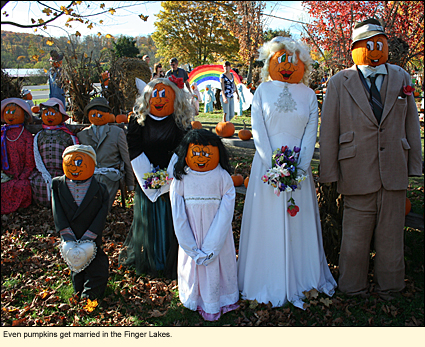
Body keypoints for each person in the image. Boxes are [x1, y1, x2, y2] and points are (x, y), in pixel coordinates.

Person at [319, 19, 422, 300]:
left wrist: (414, 164)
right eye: (368, 46)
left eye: (380, 44)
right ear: (355, 48)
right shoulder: (340, 81)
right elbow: (329, 127)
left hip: (394, 168)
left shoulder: (401, 77)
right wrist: (328, 172)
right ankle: (352, 286)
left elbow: (411, 121)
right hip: (356, 169)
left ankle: (391, 286)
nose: (374, 51)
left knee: (391, 235)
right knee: (354, 236)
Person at [237, 37, 337, 309]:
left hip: (299, 172)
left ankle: (301, 278)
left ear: (303, 63)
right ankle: (265, 278)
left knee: (297, 222)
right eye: (281, 59)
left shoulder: (309, 95)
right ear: (269, 61)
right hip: (266, 168)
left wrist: (298, 168)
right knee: (267, 221)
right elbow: (258, 131)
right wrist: (274, 166)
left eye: (293, 61)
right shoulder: (261, 91)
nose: (287, 66)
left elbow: (310, 133)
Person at [118, 77, 194, 279]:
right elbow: (133, 148)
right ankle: (154, 259)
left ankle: (171, 260)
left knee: (171, 219)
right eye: (155, 95)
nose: (159, 99)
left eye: (165, 95)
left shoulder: (179, 121)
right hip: (145, 177)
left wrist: (166, 177)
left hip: (173, 177)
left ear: (175, 99)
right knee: (151, 220)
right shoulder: (137, 121)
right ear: (147, 98)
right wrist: (149, 178)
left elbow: (182, 148)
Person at [170, 129, 239, 321]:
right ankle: (195, 298)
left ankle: (220, 299)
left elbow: (226, 211)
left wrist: (212, 246)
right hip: (192, 234)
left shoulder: (222, 177)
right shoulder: (182, 178)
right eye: (196, 153)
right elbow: (178, 214)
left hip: (217, 234)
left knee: (218, 265)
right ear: (186, 153)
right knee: (195, 268)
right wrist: (190, 247)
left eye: (207, 153)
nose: (202, 157)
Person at [52, 144, 109, 300]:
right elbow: (57, 209)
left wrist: (92, 234)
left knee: (97, 264)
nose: (73, 167)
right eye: (69, 163)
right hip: (71, 233)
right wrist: (65, 232)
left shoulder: (100, 189)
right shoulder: (57, 185)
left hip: (91, 234)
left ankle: (91, 294)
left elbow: (102, 213)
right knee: (76, 262)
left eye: (78, 162)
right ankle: (79, 290)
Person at [77, 97, 134, 211]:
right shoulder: (82, 135)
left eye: (100, 114)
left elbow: (126, 157)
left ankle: (101, 213)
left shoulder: (117, 132)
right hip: (89, 175)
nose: (97, 117)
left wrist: (130, 183)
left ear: (108, 114)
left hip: (109, 175)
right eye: (93, 114)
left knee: (103, 204)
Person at [30, 98, 79, 207]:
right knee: (38, 182)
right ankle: (44, 205)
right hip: (43, 170)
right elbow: (35, 154)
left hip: (62, 170)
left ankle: (60, 206)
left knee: (65, 183)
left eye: (53, 113)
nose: (49, 116)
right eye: (46, 113)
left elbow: (73, 153)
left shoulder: (66, 135)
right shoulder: (39, 136)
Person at [1, 98, 35, 215]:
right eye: (8, 112)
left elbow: (30, 159)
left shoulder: (26, 135)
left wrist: (23, 175)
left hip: (20, 174)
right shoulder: (2, 134)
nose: (11, 115)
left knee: (23, 186)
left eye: (14, 112)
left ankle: (19, 208)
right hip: (4, 173)